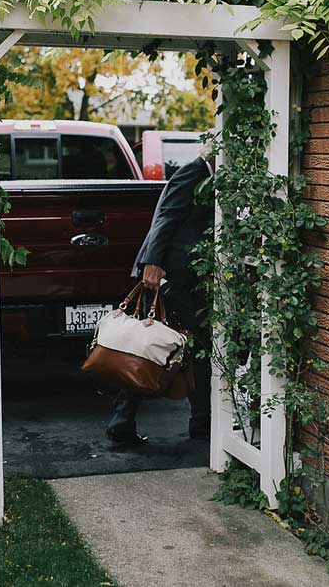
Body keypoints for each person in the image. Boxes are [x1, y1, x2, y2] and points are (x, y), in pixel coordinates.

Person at [105, 144, 215, 447]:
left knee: (167, 345)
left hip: (177, 275)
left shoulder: (202, 174)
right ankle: (200, 422)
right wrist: (151, 264)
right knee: (175, 344)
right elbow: (166, 217)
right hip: (166, 275)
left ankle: (124, 421)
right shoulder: (193, 173)